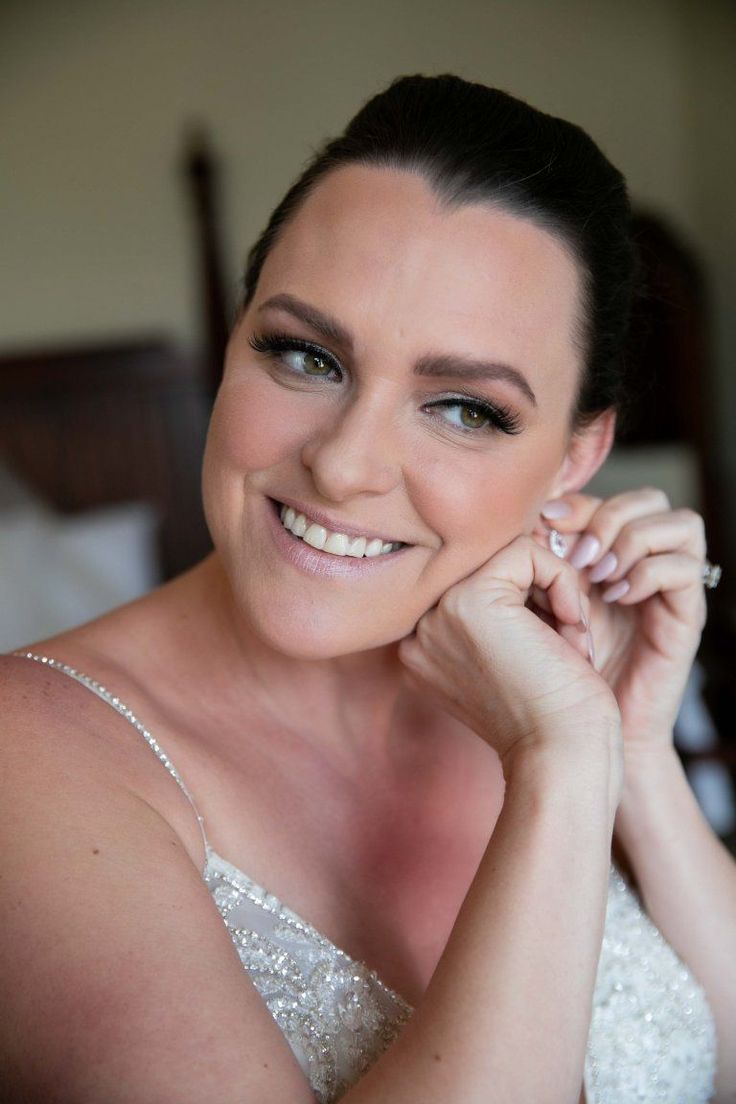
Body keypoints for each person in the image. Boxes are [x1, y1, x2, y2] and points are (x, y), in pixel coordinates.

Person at [0, 73, 732, 1104]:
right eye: (304, 355)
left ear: (576, 457)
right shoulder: (26, 760)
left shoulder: (544, 674)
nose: (344, 466)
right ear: (233, 341)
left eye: (465, 409)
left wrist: (631, 745)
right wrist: (562, 769)